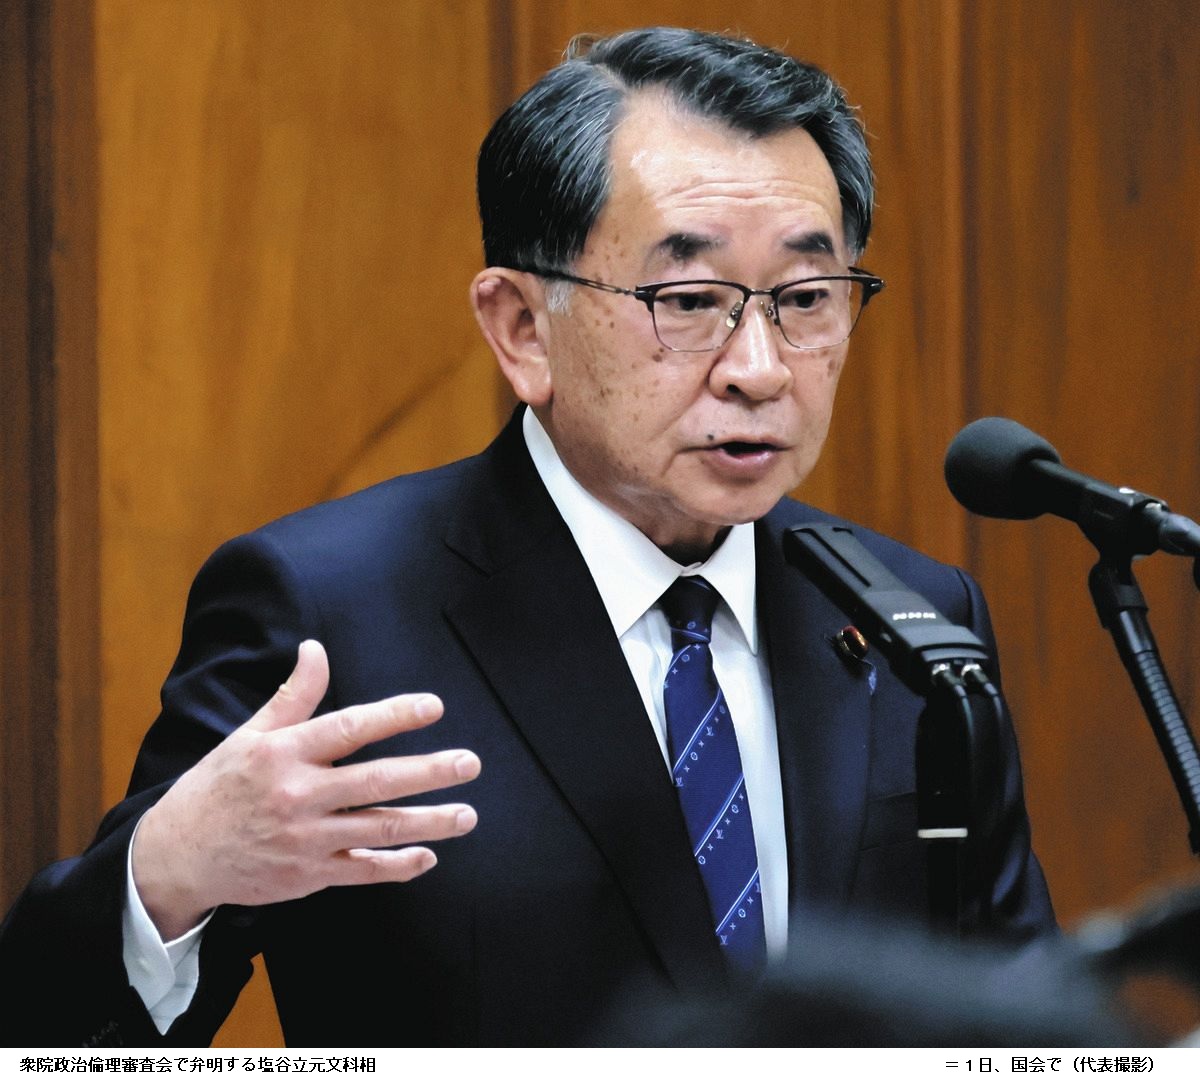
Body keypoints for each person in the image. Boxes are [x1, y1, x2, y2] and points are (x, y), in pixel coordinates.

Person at [0, 26, 1054, 1046]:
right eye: (691, 298)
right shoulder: (331, 613)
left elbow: (1026, 1027)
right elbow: (50, 1047)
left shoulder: (913, 618)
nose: (760, 367)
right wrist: (167, 877)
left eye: (807, 297)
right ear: (521, 327)